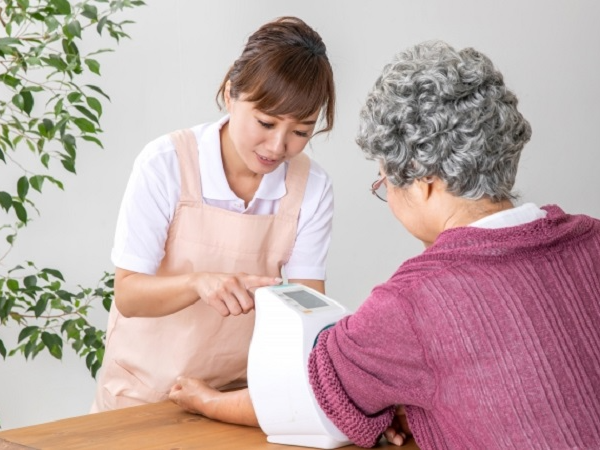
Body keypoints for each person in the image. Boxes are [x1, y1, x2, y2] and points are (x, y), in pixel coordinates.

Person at [168, 40, 600, 449]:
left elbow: (303, 399)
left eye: (386, 182)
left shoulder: (412, 302)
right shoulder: (592, 240)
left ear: (424, 182)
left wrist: (206, 401)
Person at [91, 16, 336, 412]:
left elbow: (308, 309)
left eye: (301, 131)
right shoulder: (167, 163)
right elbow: (129, 294)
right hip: (141, 394)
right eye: (266, 122)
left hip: (236, 400)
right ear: (230, 93)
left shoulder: (312, 187)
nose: (277, 146)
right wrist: (199, 283)